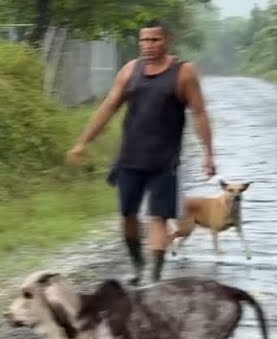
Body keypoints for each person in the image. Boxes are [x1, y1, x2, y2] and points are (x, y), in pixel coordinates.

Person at [66, 20, 215, 285]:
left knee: (158, 217)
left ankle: (154, 278)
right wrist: (82, 143)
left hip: (164, 161)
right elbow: (108, 107)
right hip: (130, 158)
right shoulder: (129, 71)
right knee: (128, 215)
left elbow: (200, 113)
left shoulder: (184, 73)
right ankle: (138, 266)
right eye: (144, 40)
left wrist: (208, 154)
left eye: (154, 40)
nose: (148, 45)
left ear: (167, 41)